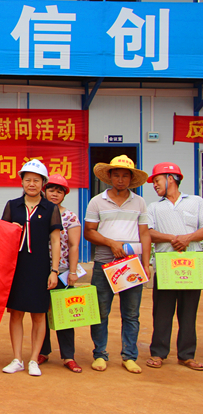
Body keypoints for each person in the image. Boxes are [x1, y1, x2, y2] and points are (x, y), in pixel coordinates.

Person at [84, 155, 152, 374]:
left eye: (125, 175)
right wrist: (111, 243)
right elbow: (89, 232)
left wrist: (146, 263)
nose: (120, 179)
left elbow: (145, 234)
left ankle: (129, 356)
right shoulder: (97, 201)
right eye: (116, 175)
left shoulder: (139, 202)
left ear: (131, 178)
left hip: (131, 264)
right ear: (109, 177)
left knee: (131, 314)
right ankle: (100, 354)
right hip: (104, 263)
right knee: (101, 311)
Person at [0, 160, 61, 377]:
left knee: (38, 314)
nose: (32, 184)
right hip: (16, 267)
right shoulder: (12, 205)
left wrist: (54, 271)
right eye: (28, 180)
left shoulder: (50, 208)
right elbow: (1, 234)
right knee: (16, 313)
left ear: (43, 183)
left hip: (40, 267)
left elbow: (55, 241)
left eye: (36, 180)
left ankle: (34, 359)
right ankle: (17, 359)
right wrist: (10, 229)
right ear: (22, 182)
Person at [145, 162, 203, 371]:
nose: (154, 185)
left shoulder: (196, 202)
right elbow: (148, 233)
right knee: (162, 311)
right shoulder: (154, 207)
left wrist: (188, 238)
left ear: (171, 178)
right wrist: (173, 238)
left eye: (157, 180)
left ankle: (186, 355)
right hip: (165, 265)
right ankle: (158, 353)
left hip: (191, 265)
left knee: (189, 312)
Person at [38, 174, 82, 373]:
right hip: (38, 271)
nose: (54, 194)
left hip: (62, 271)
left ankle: (68, 356)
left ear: (64, 195)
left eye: (59, 191)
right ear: (44, 191)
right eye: (51, 190)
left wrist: (72, 271)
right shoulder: (37, 212)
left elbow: (73, 246)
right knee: (40, 313)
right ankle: (42, 351)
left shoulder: (70, 217)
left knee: (65, 314)